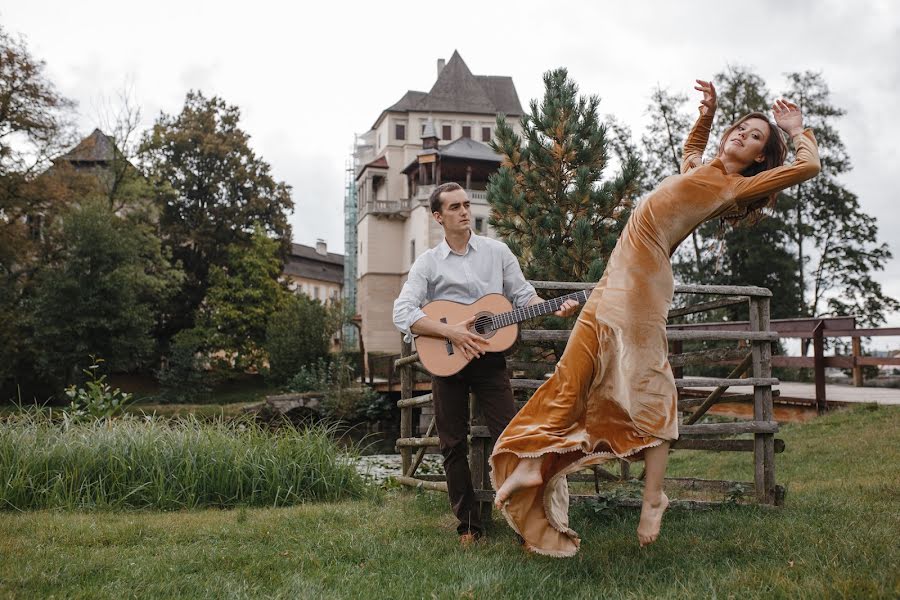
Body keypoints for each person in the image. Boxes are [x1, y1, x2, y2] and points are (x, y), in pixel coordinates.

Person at [489, 80, 821, 557]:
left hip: (642, 287)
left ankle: (653, 497)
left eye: (754, 139)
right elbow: (690, 148)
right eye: (740, 129)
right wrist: (706, 113)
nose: (742, 137)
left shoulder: (733, 186)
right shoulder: (700, 169)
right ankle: (534, 464)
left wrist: (795, 130)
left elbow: (808, 165)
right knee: (570, 380)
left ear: (758, 161)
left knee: (650, 387)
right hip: (611, 283)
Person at [393, 182, 579, 547]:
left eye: (466, 205)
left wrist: (552, 305)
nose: (464, 211)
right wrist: (453, 333)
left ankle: (527, 522)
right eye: (454, 207)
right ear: (438, 216)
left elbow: (524, 295)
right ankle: (468, 526)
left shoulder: (497, 252)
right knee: (451, 444)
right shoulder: (427, 263)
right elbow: (402, 311)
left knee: (510, 439)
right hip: (447, 363)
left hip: (491, 360)